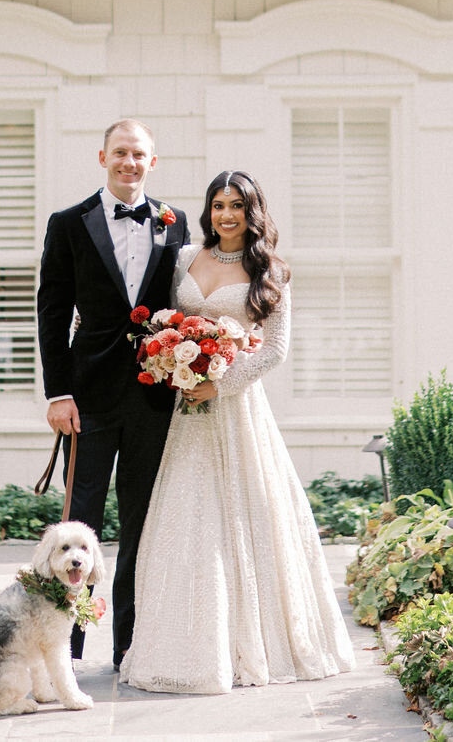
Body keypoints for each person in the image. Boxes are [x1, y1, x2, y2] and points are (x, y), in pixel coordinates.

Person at [120, 169, 355, 693]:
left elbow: (274, 349)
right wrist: (171, 363)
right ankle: (181, 645)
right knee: (186, 517)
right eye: (218, 205)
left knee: (245, 516)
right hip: (187, 414)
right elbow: (166, 323)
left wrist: (219, 385)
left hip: (238, 408)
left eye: (237, 206)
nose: (226, 215)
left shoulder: (271, 270)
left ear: (253, 212)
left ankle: (255, 641)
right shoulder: (184, 257)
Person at [36, 118, 189, 670]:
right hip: (88, 397)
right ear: (102, 158)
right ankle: (66, 649)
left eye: (139, 154)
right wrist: (58, 394)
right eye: (120, 153)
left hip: (153, 397)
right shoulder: (68, 223)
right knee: (79, 525)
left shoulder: (175, 223)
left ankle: (130, 646)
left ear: (153, 162)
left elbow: (183, 305)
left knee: (142, 523)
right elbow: (52, 312)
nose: (130, 162)